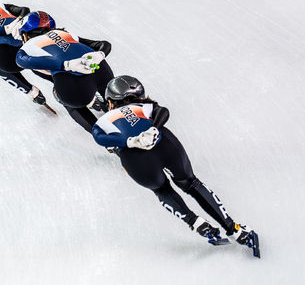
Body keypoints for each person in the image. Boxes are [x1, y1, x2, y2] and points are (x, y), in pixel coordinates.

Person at [91, 75, 260, 256]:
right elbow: (163, 111)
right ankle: (235, 230)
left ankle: (195, 222)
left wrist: (129, 141)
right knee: (191, 183)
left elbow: (98, 136)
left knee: (162, 189)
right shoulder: (143, 106)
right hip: (165, 145)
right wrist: (154, 128)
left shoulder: (103, 121)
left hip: (135, 159)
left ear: (110, 102)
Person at [13, 11, 114, 131]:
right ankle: (112, 107)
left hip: (73, 86)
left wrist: (66, 65)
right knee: (113, 101)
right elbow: (103, 44)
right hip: (101, 70)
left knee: (59, 93)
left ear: (25, 36)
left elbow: (20, 61)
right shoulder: (64, 33)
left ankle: (102, 135)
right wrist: (100, 54)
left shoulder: (27, 47)